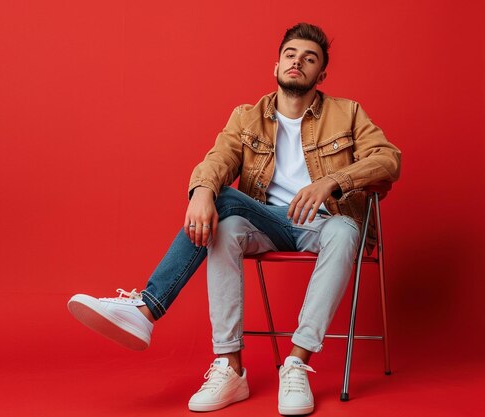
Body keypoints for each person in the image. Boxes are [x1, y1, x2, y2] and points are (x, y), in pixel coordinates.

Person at [67, 22, 401, 415]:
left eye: (309, 59)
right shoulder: (247, 117)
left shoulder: (348, 112)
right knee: (222, 221)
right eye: (291, 55)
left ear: (320, 74)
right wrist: (203, 192)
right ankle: (230, 366)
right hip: (266, 222)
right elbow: (218, 159)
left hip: (325, 222)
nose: (298, 62)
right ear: (276, 65)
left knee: (346, 231)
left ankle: (295, 361)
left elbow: (388, 159)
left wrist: (333, 180)